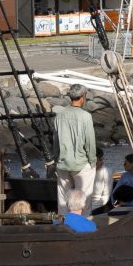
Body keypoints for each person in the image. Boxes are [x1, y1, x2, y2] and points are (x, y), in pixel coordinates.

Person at [52, 87, 99, 217]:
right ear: (83, 97)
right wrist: (92, 161)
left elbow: (55, 140)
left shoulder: (59, 115)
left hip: (63, 162)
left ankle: (63, 224)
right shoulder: (86, 116)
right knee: (85, 197)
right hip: (82, 163)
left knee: (63, 199)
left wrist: (56, 158)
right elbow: (90, 142)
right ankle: (83, 224)